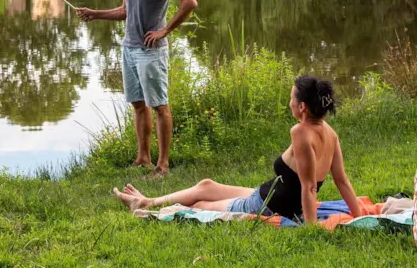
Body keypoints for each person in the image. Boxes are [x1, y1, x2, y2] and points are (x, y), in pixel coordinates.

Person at [112, 76, 363, 224]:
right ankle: (146, 200)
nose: (289, 103)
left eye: (291, 98)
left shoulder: (300, 132)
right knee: (206, 185)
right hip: (270, 195)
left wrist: (310, 229)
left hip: (267, 205)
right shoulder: (330, 133)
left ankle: (147, 207)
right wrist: (360, 216)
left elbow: (309, 187)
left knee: (200, 204)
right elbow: (342, 180)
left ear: (302, 107)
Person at [76, 0, 197, 178]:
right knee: (138, 105)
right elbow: (124, 11)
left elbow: (190, 2)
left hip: (151, 51)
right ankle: (143, 158)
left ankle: (162, 165)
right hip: (129, 48)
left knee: (160, 106)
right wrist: (93, 13)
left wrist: (165, 30)